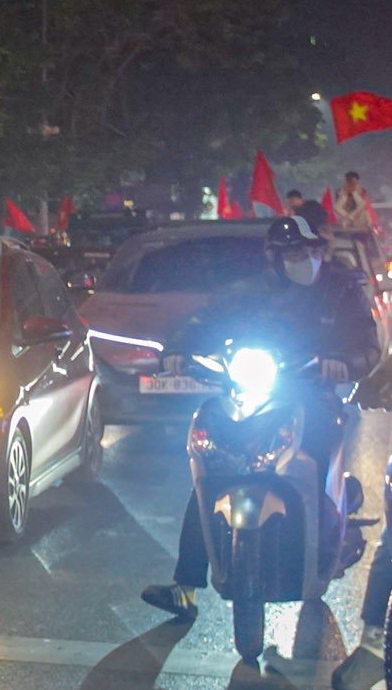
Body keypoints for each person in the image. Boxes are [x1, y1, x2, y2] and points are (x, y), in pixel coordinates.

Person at [142, 215, 379, 617]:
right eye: (293, 253)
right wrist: (178, 349)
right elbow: (204, 322)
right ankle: (185, 587)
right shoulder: (250, 291)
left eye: (309, 251)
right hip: (252, 391)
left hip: (313, 395)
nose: (304, 259)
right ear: (274, 258)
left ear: (320, 251)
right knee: (210, 470)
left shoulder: (341, 289)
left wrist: (344, 362)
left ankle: (325, 550)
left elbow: (367, 347)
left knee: (317, 457)